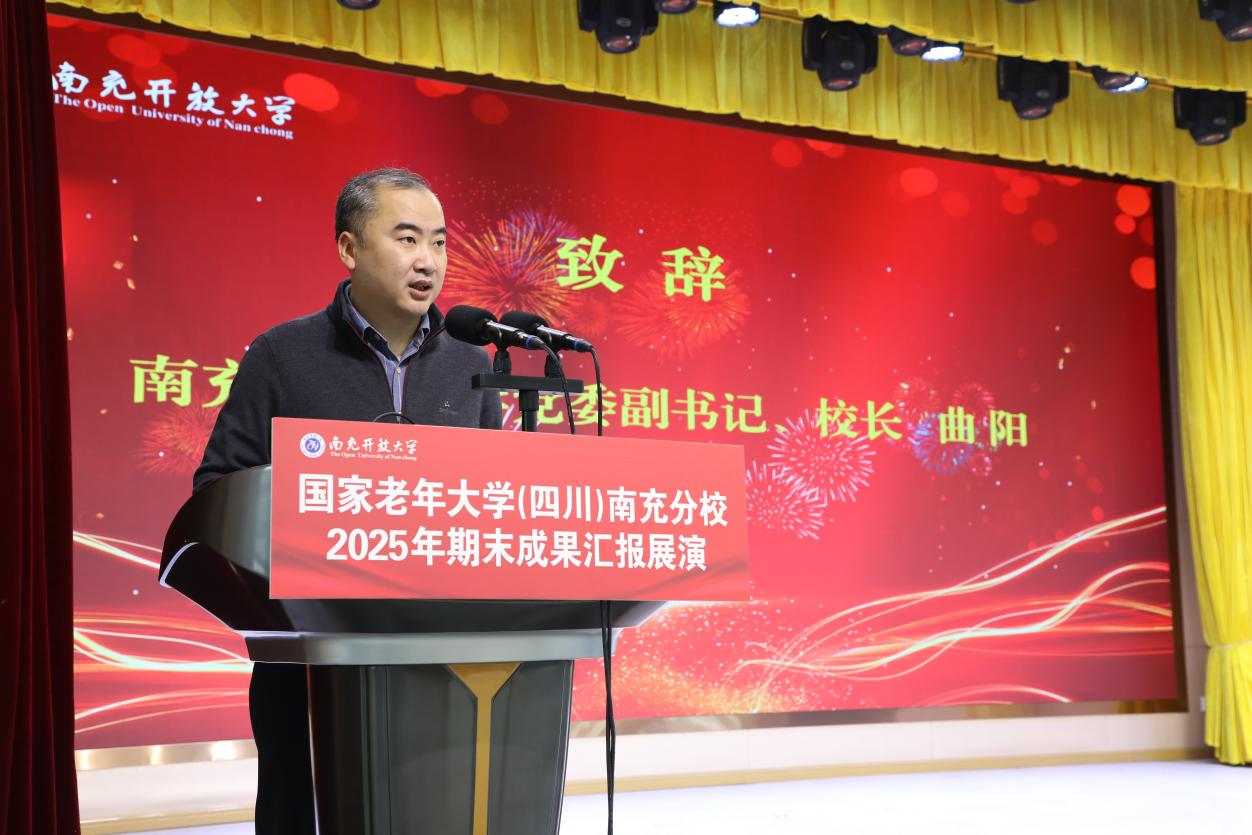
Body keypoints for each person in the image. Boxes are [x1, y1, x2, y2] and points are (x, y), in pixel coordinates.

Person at [193, 167, 501, 834]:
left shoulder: (470, 364)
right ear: (349, 247)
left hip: (438, 660)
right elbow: (218, 491)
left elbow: (492, 504)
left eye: (440, 242)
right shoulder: (283, 354)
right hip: (309, 659)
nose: (429, 261)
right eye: (407, 238)